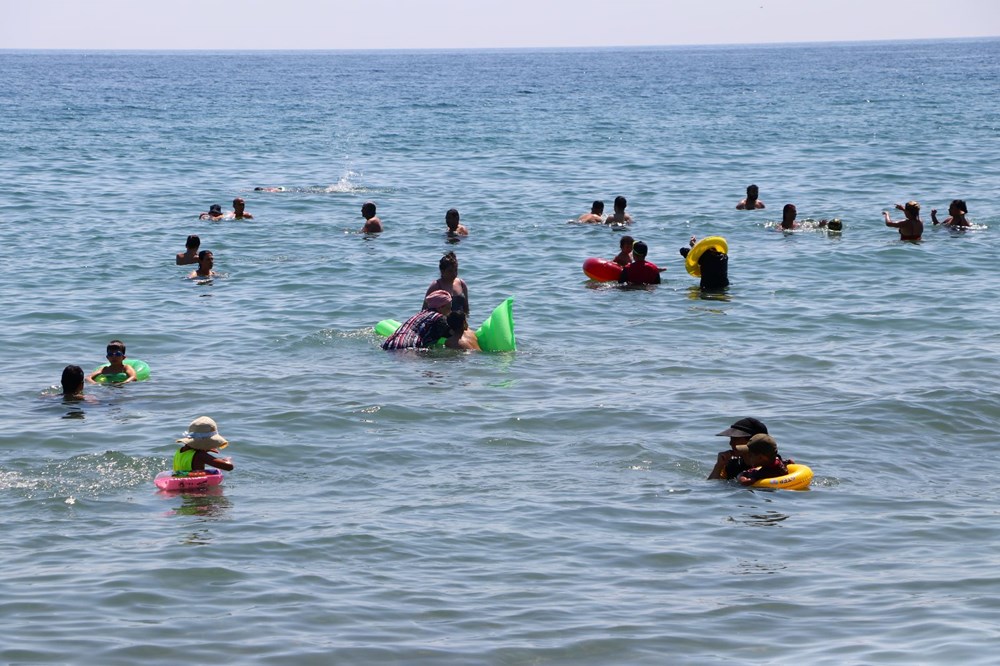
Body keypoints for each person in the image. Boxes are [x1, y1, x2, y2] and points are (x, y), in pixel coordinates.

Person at [382, 290, 453, 350]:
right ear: (441, 307)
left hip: (389, 343)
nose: (450, 310)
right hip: (408, 346)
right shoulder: (439, 318)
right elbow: (451, 334)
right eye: (449, 308)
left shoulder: (420, 314)